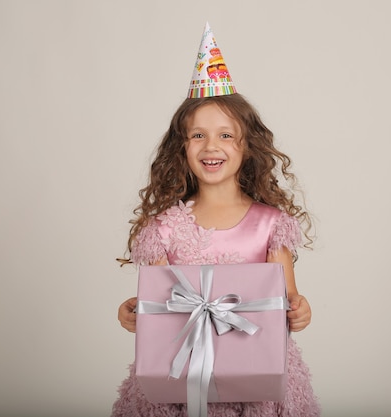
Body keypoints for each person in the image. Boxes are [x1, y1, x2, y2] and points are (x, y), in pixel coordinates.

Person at [111, 23, 320, 417]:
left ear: (248, 145)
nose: (211, 146)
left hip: (258, 377)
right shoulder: (164, 229)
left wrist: (300, 310)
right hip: (182, 376)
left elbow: (287, 302)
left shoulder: (270, 225)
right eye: (198, 136)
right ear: (182, 147)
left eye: (226, 135)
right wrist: (134, 311)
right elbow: (158, 307)